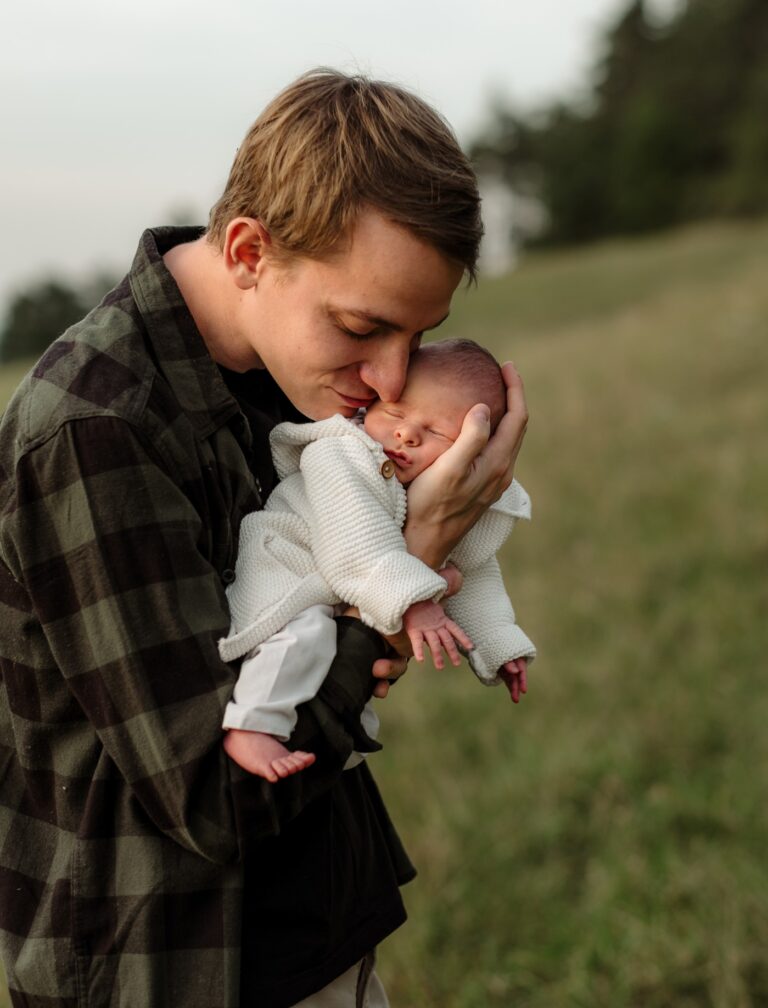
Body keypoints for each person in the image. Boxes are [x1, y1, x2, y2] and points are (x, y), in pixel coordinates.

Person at [0, 69, 528, 1008]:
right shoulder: (95, 427)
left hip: (314, 928)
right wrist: (414, 559)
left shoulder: (290, 373)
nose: (392, 376)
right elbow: (213, 796)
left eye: (421, 333)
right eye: (365, 326)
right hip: (168, 962)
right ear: (250, 249)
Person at [220, 337, 536, 783]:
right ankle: (251, 723)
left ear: (474, 450)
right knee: (305, 635)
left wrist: (499, 642)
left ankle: (309, 738)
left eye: (437, 432)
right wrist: (417, 601)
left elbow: (473, 571)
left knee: (341, 675)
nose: (406, 434)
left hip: (344, 590)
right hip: (286, 572)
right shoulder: (341, 454)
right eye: (396, 414)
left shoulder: (438, 493)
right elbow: (354, 545)